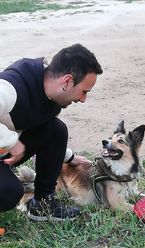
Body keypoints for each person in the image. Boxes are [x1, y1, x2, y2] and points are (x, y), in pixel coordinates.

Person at [0, 43, 103, 221]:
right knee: (8, 192)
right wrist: (10, 141)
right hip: (5, 146)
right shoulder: (11, 87)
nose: (83, 99)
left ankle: (43, 204)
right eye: (83, 91)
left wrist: (71, 158)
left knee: (55, 130)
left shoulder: (51, 96)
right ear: (67, 81)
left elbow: (41, 130)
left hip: (3, 152)